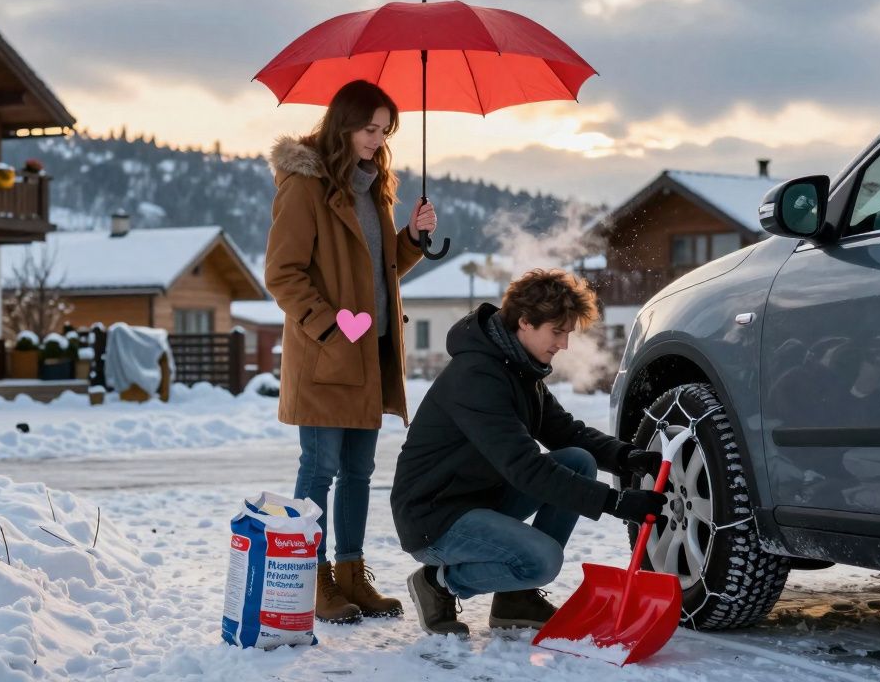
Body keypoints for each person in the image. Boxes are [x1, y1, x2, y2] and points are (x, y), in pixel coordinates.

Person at [391, 268, 667, 635]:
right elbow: (525, 467)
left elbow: (565, 432)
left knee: (577, 460)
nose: (564, 344)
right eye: (558, 332)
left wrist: (625, 456)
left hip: (478, 499)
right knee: (543, 560)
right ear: (524, 322)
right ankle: (438, 583)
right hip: (434, 517)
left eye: (567, 333)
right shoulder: (477, 377)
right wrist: (615, 503)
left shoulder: (520, 369)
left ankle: (514, 600)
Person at [264, 79, 437, 624]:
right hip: (327, 355)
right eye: (369, 128)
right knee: (320, 470)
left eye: (385, 131)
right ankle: (312, 579)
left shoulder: (373, 188)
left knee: (360, 473)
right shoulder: (304, 184)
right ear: (344, 125)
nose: (378, 139)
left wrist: (411, 238)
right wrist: (329, 329)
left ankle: (350, 575)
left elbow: (378, 276)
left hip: (373, 355)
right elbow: (282, 274)